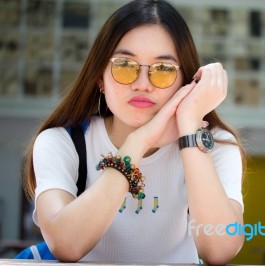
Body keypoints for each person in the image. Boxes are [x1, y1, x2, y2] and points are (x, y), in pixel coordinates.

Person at [22, 0, 246, 264]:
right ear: (99, 78)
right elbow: (66, 244)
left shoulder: (215, 146)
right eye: (125, 65)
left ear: (185, 82)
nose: (142, 85)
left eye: (163, 70)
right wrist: (138, 142)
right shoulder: (62, 142)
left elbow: (219, 250)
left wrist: (190, 126)